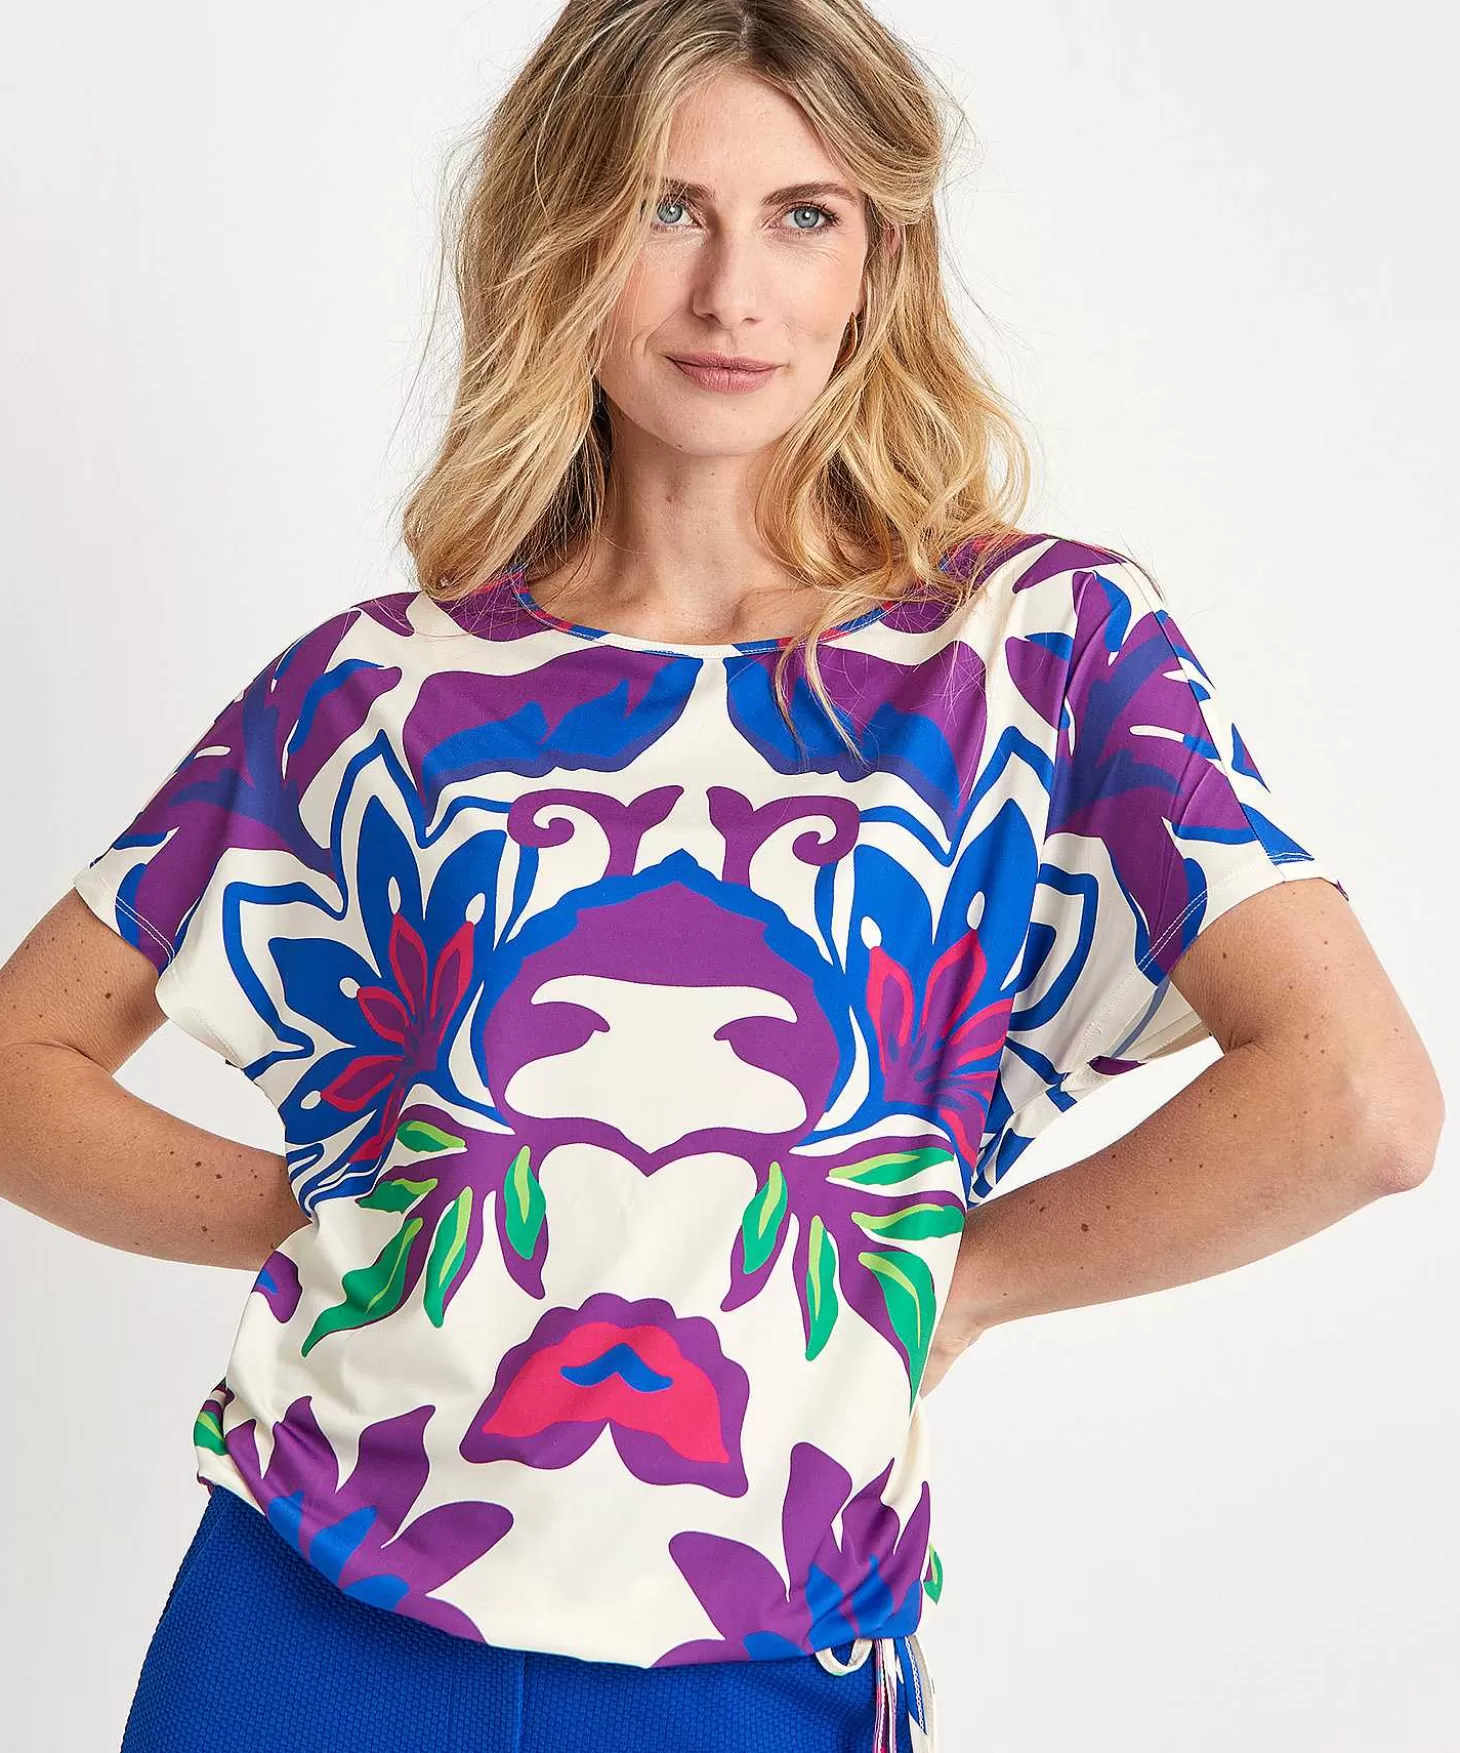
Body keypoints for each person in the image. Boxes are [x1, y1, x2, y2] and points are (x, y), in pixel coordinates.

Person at [0, 3, 1443, 1751]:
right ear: (557, 237)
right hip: (307, 1620)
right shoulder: (375, 692)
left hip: (759, 1645)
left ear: (877, 260)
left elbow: (1359, 1100)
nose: (731, 294)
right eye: (665, 210)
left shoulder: (1035, 654)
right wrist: (342, 1218)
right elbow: (21, 1062)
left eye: (801, 216)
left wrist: (966, 1277)